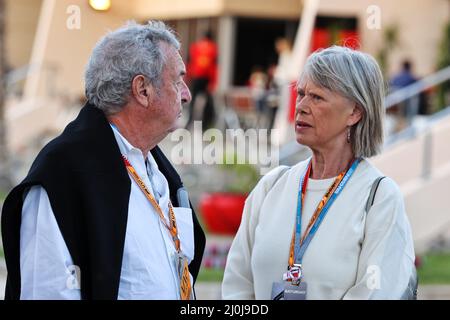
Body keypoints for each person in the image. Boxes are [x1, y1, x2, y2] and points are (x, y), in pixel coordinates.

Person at [1, 21, 205, 300]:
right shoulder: (64, 174)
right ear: (142, 90)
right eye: (177, 80)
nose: (186, 94)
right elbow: (48, 291)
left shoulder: (157, 169)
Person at [222, 46, 416, 300]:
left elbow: (376, 293)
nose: (300, 106)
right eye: (301, 93)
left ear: (355, 112)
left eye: (317, 97)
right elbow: (236, 286)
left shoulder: (379, 197)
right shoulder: (272, 186)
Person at [185, 31, 218, 130]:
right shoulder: (213, 48)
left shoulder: (195, 47)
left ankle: (188, 123)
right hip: (206, 79)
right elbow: (214, 67)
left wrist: (188, 78)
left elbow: (189, 62)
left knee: (192, 100)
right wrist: (213, 83)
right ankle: (206, 125)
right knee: (209, 103)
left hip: (195, 77)